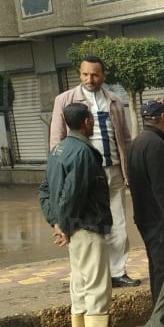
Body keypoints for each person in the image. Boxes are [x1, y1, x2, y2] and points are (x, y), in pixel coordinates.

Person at [38, 103, 128, 327]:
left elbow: (45, 190)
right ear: (88, 121)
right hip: (87, 225)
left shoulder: (58, 150)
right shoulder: (84, 153)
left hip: (71, 226)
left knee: (79, 281)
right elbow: (73, 193)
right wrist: (63, 224)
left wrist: (56, 222)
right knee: (98, 283)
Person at [50, 56, 140, 288]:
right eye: (85, 74)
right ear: (79, 74)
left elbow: (125, 139)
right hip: (83, 173)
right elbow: (56, 140)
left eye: (95, 75)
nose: (90, 79)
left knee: (118, 223)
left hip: (113, 172)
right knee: (85, 225)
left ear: (103, 75)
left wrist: (129, 170)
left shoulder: (114, 101)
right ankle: (87, 275)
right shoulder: (65, 100)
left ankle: (118, 271)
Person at [126, 100, 164, 302]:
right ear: (163, 117)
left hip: (145, 217)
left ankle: (157, 316)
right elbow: (162, 187)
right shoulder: (156, 146)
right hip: (160, 220)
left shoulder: (136, 143)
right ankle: (162, 322)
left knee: (156, 268)